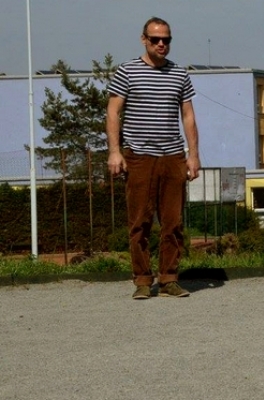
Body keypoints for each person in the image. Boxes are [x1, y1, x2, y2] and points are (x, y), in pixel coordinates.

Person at [106, 17, 200, 300]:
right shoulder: (127, 71)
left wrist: (193, 155)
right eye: (156, 39)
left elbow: (188, 115)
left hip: (172, 156)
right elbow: (113, 113)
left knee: (173, 222)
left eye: (167, 39)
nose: (162, 44)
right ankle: (143, 280)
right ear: (143, 39)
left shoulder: (179, 74)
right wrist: (114, 151)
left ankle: (170, 278)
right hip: (139, 156)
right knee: (140, 221)